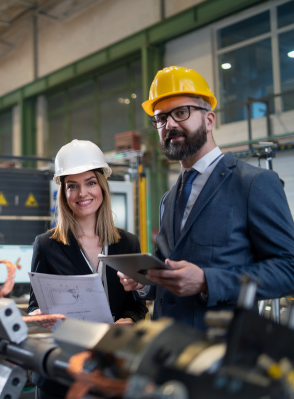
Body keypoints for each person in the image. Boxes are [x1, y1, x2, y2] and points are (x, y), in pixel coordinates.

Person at [119, 65, 294, 331]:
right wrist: (144, 283)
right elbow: (171, 276)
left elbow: (288, 269)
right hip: (165, 348)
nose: (170, 124)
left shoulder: (253, 184)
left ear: (209, 119)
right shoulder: (169, 199)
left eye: (181, 112)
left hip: (221, 352)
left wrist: (206, 281)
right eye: (161, 118)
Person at [27, 139, 148, 399]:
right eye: (73, 186)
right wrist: (39, 315)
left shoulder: (126, 243)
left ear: (102, 187)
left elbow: (136, 303)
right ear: (63, 193)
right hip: (60, 370)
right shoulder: (46, 245)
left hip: (110, 368)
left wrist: (130, 320)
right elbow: (34, 305)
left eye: (90, 183)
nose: (83, 194)